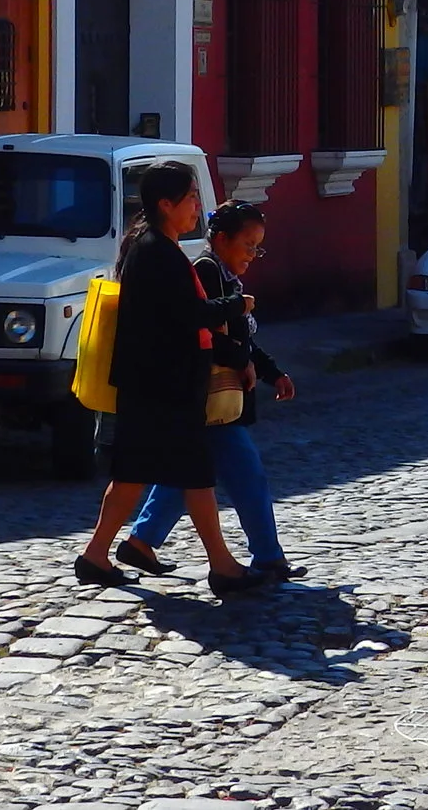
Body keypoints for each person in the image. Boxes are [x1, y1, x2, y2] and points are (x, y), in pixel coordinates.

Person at [73, 161, 270, 597]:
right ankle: (222, 566)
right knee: (187, 474)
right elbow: (184, 317)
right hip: (163, 385)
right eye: (192, 198)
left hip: (161, 384)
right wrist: (236, 306)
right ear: (166, 204)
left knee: (144, 474)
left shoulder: (157, 247)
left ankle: (97, 556)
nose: (198, 206)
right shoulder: (156, 253)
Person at [116, 200, 305, 583]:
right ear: (222, 239)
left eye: (258, 247)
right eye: (248, 245)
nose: (254, 255)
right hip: (206, 393)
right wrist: (241, 360)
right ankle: (267, 556)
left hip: (214, 394)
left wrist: (271, 372)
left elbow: (241, 338)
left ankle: (141, 540)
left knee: (186, 474)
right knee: (246, 475)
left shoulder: (225, 276)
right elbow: (196, 332)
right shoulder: (206, 271)